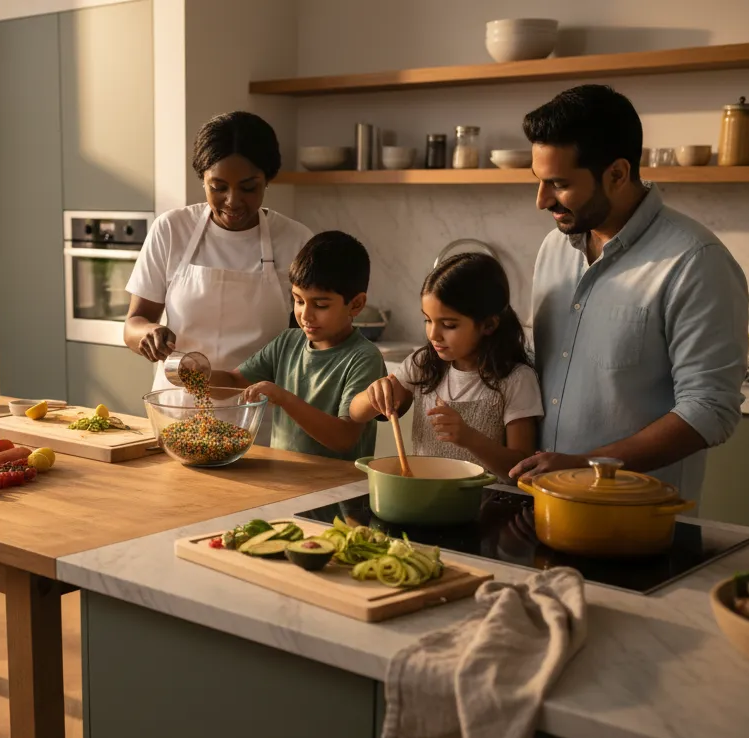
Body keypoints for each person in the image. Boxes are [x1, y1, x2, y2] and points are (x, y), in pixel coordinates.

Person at [509, 85, 748, 502]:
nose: (542, 200)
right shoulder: (554, 250)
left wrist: (587, 466)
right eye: (539, 181)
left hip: (639, 523)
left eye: (559, 184)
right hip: (545, 506)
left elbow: (710, 408)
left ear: (617, 173)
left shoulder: (694, 261)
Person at [123, 111, 313, 393]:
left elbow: (308, 340)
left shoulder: (296, 240)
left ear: (267, 180)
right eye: (218, 187)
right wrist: (148, 333)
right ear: (203, 179)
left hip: (258, 409)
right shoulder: (172, 230)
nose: (233, 201)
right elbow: (133, 324)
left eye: (248, 188)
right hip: (178, 406)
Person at [349, 253, 543, 479]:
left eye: (449, 325)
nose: (433, 334)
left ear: (488, 324)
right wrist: (375, 393)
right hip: (425, 497)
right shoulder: (424, 364)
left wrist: (469, 438)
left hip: (486, 502)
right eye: (428, 320)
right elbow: (356, 413)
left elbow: (521, 468)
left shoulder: (516, 379)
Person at [209, 231, 385, 460]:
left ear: (356, 304)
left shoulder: (363, 358)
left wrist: (283, 397)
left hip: (340, 491)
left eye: (320, 305)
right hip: (286, 483)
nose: (305, 315)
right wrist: (196, 375)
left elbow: (344, 438)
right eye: (298, 301)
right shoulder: (287, 343)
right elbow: (234, 383)